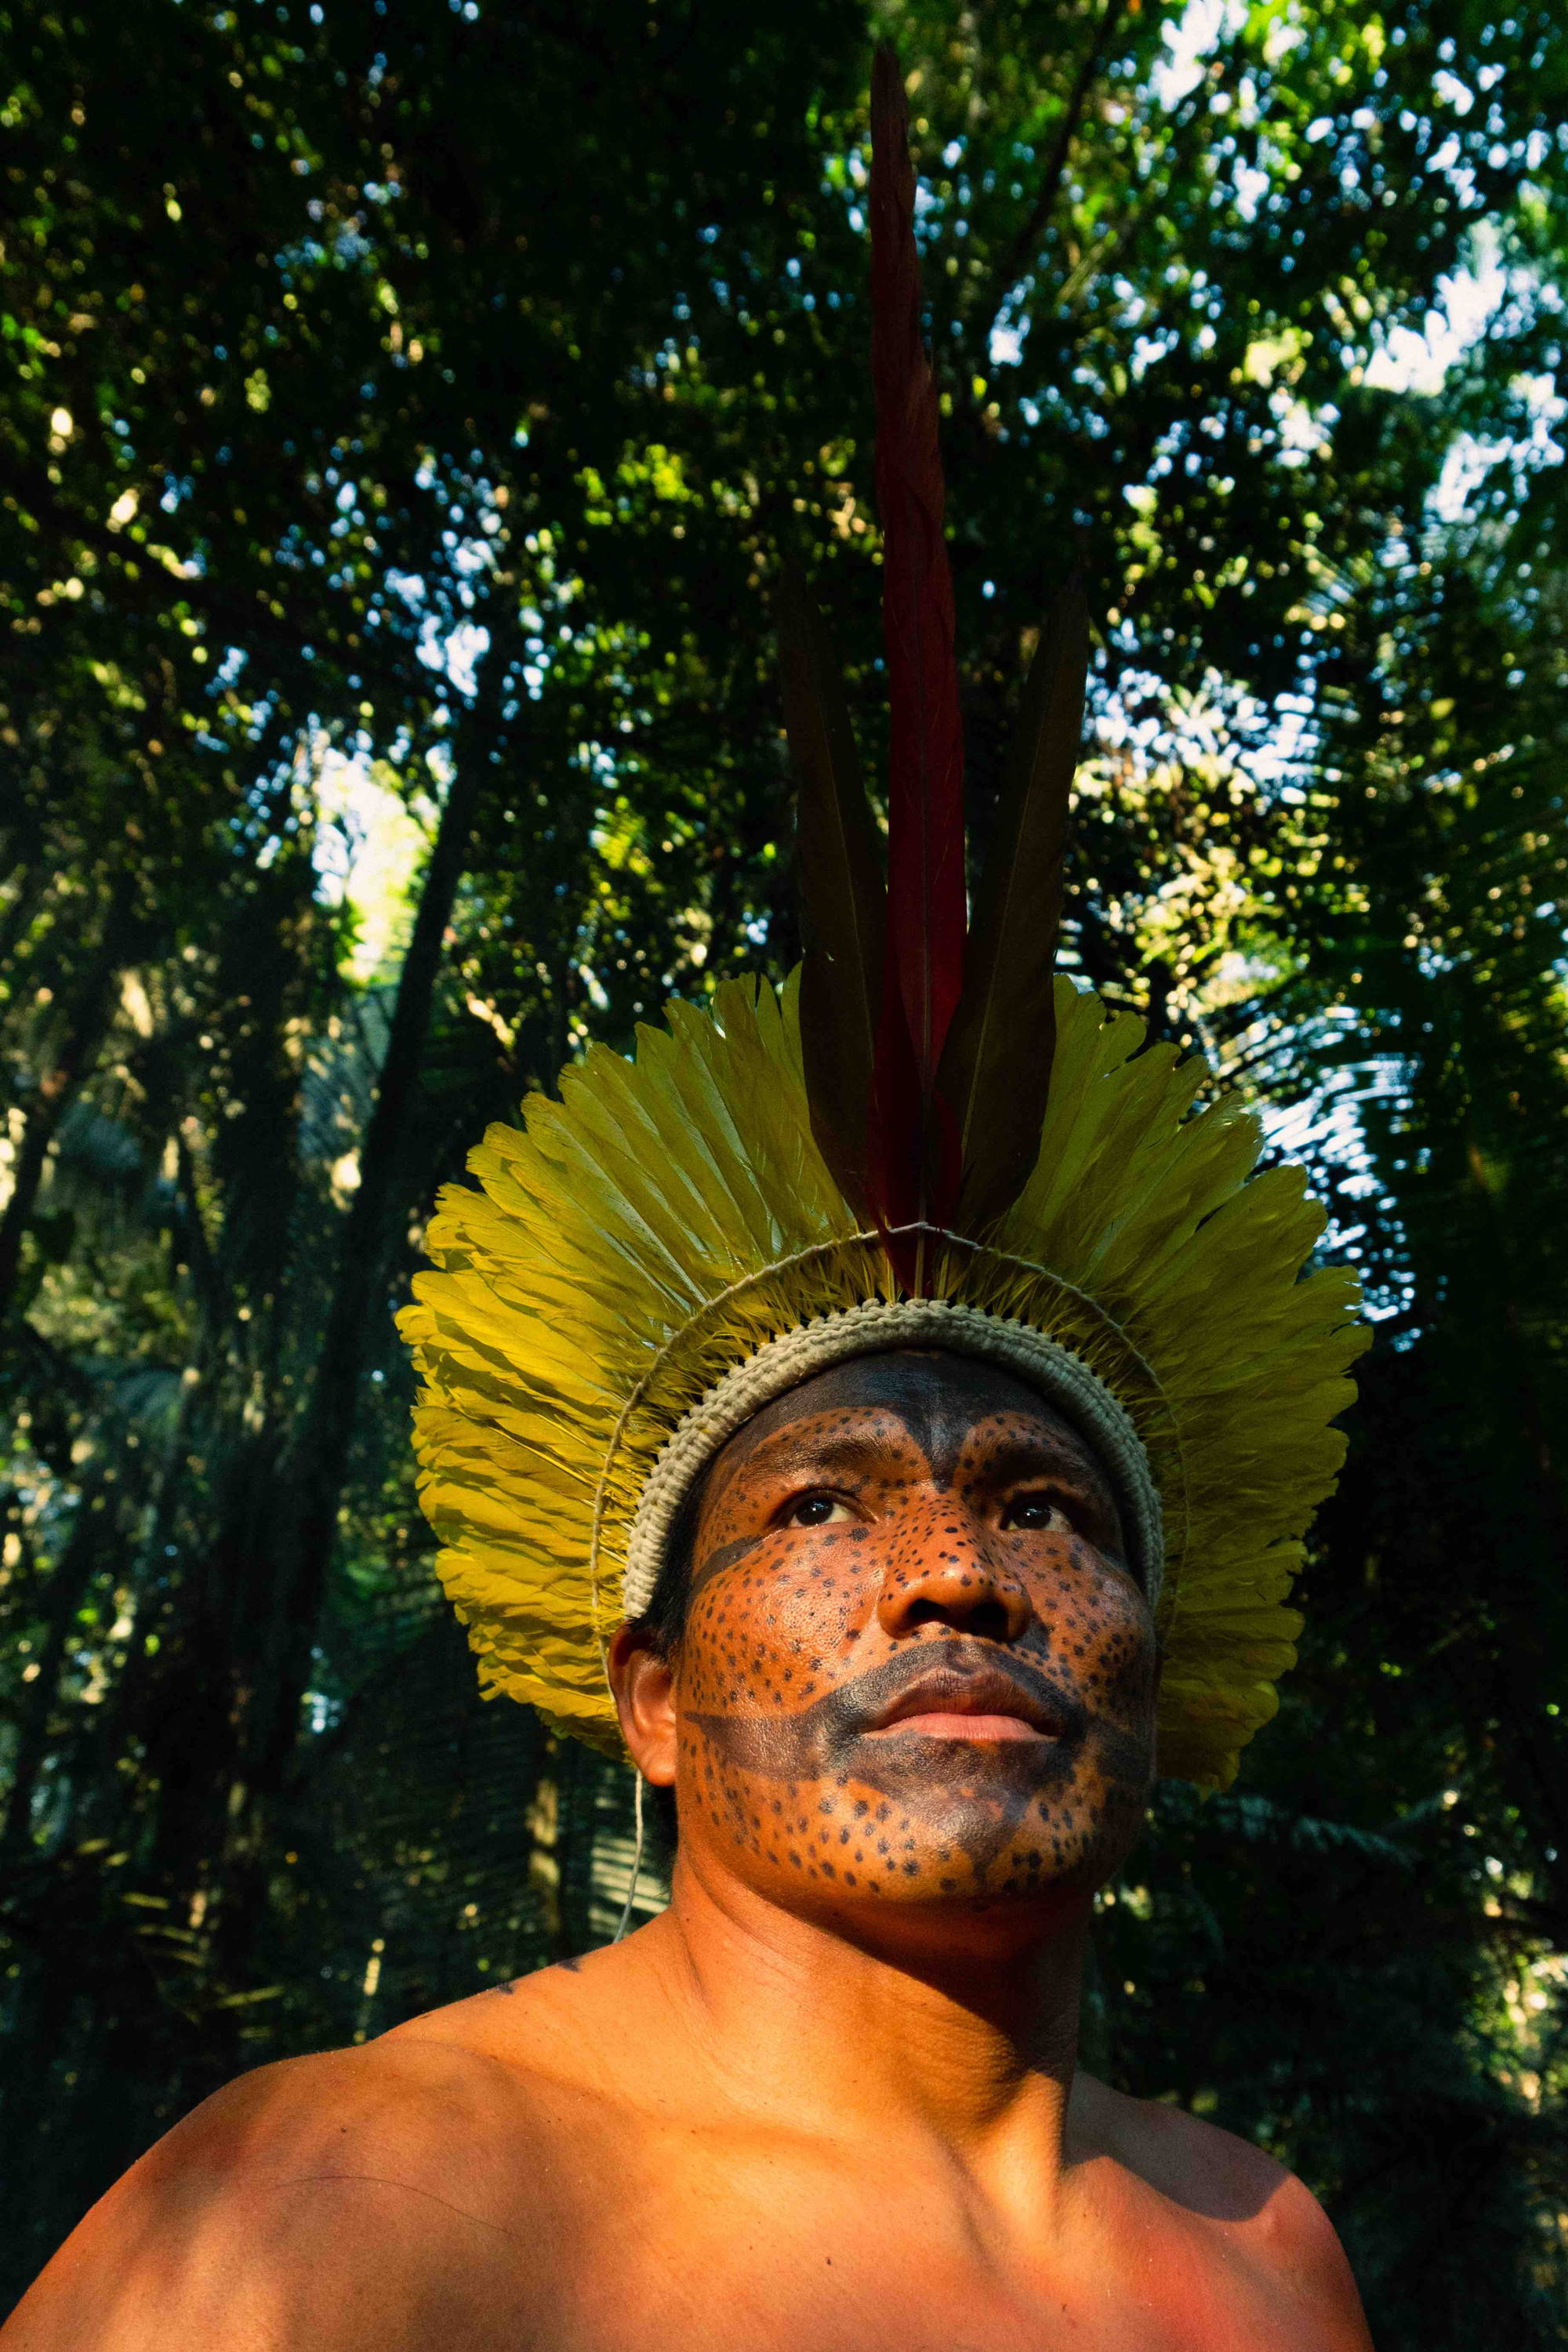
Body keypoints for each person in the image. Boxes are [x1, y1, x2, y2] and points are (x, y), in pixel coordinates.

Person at [2, 50, 1374, 2351]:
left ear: (1170, 1647)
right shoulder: (343, 2209)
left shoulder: (1261, 2262)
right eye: (820, 1505)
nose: (956, 1566)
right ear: (646, 1696)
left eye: (1052, 1507)